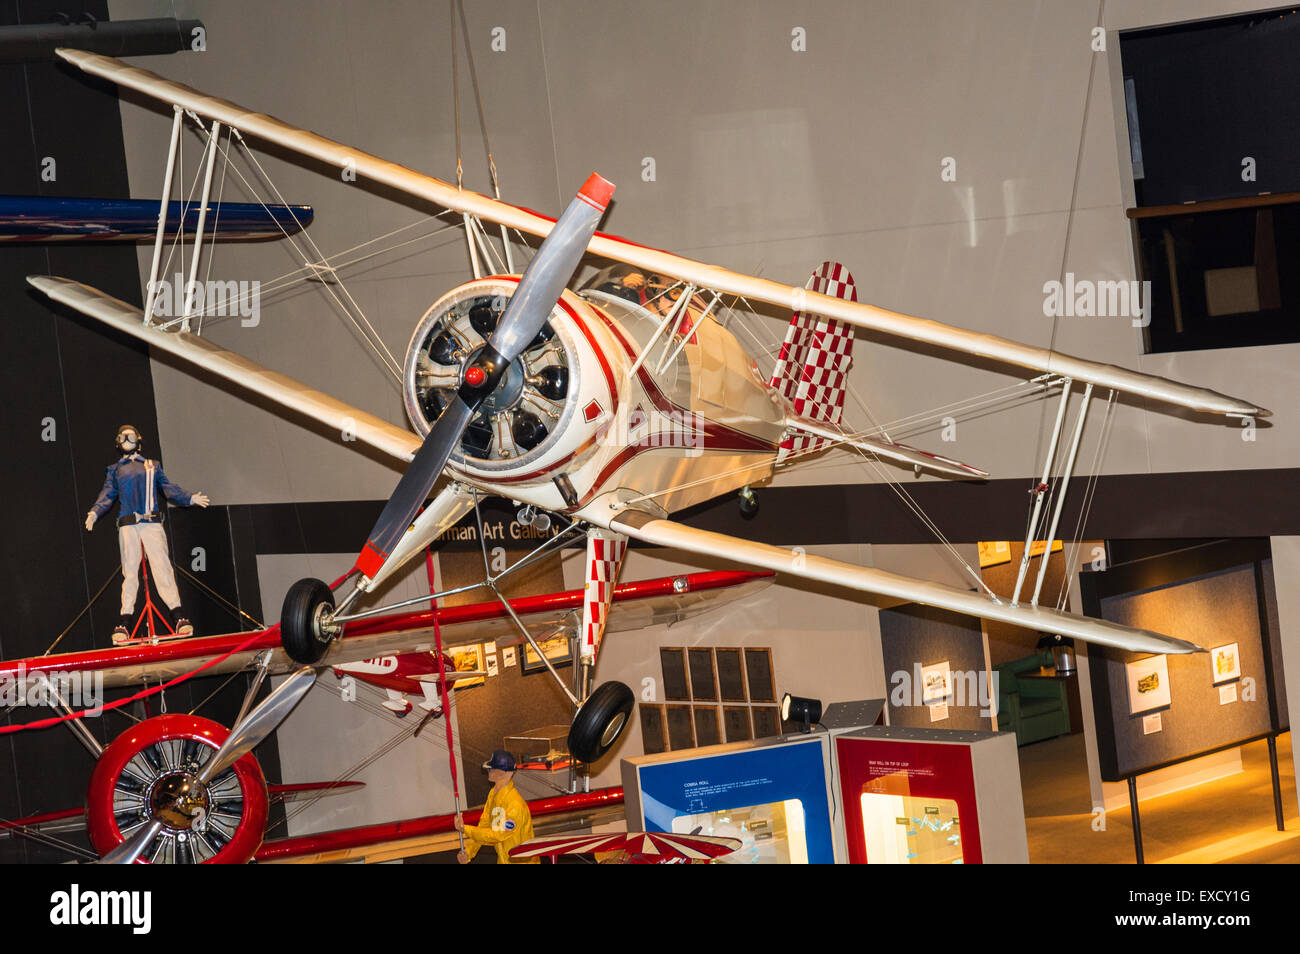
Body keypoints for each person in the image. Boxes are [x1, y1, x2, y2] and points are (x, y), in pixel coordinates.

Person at [84, 425, 209, 643]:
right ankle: (125, 620)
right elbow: (107, 493)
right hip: (128, 525)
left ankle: (178, 616)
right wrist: (95, 511)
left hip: (151, 522)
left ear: (138, 439)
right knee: (130, 572)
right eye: (122, 436)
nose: (126, 439)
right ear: (118, 442)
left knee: (161, 566)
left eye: (130, 435)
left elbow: (169, 489)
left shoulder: (152, 466)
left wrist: (188, 498)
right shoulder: (115, 469)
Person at [454, 750, 539, 864]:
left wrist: (465, 829)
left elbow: (498, 835)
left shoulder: (515, 805)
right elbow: (484, 827)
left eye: (492, 768)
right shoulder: (493, 795)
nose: (489, 771)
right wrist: (469, 852)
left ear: (505, 772)